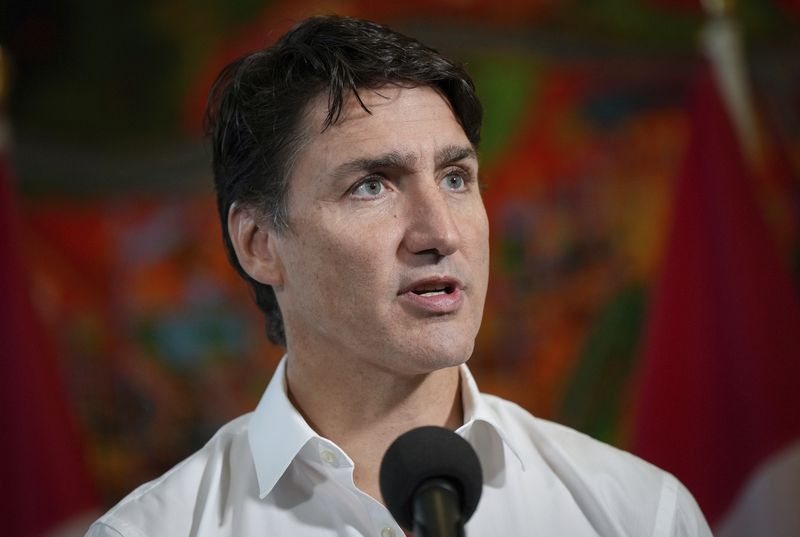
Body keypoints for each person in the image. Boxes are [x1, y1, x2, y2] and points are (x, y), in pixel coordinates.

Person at [86, 15, 712, 537]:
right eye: (371, 186)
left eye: (455, 178)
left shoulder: (636, 514)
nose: (440, 233)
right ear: (259, 244)